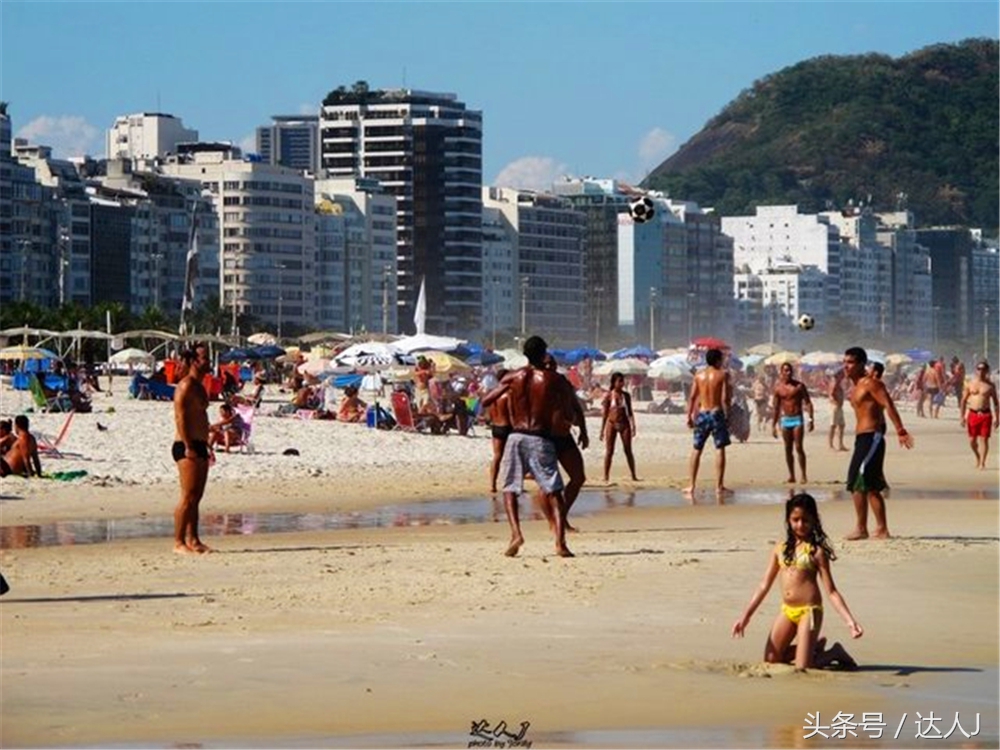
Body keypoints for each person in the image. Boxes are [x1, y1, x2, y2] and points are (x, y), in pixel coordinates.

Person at [732, 493, 863, 671]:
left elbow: (831, 591)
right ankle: (812, 647)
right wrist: (745, 616)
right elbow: (764, 585)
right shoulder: (780, 549)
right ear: (788, 520)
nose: (800, 525)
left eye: (805, 520)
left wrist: (850, 622)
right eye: (795, 520)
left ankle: (834, 652)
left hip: (809, 612)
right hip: (787, 610)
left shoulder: (816, 552)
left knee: (803, 667)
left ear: (814, 521)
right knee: (771, 659)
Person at [480, 335, 572, 558]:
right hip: (540, 437)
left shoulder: (514, 377)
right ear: (544, 353)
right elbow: (569, 407)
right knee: (554, 491)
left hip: (516, 436)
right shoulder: (553, 380)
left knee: (510, 488)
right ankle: (559, 542)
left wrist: (509, 391)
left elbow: (485, 400)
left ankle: (516, 534)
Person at [843, 347, 914, 541]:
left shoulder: (871, 384)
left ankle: (868, 528)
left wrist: (900, 430)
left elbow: (888, 405)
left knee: (858, 481)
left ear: (860, 364)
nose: (845, 366)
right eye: (845, 362)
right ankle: (872, 528)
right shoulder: (855, 387)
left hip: (872, 437)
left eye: (849, 362)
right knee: (866, 484)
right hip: (861, 438)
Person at [534, 355, 589, 531]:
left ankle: (561, 516)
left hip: (564, 436)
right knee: (546, 484)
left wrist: (583, 431)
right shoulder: (536, 383)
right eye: (546, 363)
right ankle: (554, 522)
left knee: (578, 477)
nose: (550, 366)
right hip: (543, 437)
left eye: (552, 363)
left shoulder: (563, 382)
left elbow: (575, 405)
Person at [172, 343, 214, 554]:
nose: (209, 361)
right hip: (185, 445)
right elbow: (180, 417)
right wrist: (189, 445)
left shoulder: (200, 385)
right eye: (205, 358)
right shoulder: (186, 385)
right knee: (187, 497)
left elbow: (200, 417)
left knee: (197, 497)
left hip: (200, 443)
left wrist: (206, 444)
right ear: (195, 361)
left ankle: (194, 539)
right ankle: (178, 542)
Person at [684, 348, 732, 500]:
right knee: (719, 448)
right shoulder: (722, 375)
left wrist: (689, 416)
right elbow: (724, 398)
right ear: (718, 360)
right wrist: (728, 414)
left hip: (703, 413)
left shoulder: (699, 375)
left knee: (697, 448)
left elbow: (692, 397)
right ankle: (719, 486)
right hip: (716, 412)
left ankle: (691, 485)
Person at [771, 362, 814, 484]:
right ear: (781, 372)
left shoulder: (799, 386)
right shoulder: (778, 388)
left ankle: (804, 475)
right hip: (786, 420)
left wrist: (811, 419)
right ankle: (792, 475)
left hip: (797, 419)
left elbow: (808, 402)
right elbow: (776, 408)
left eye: (789, 370)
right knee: (787, 449)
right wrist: (773, 425)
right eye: (785, 370)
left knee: (799, 447)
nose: (788, 372)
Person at [959, 360, 999, 470]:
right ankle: (978, 457)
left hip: (985, 414)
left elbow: (996, 403)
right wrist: (962, 417)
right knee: (972, 441)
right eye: (979, 369)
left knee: (984, 439)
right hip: (973, 414)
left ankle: (982, 462)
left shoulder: (990, 386)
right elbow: (963, 401)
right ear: (976, 370)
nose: (981, 371)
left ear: (987, 370)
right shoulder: (970, 383)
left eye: (983, 369)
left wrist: (997, 418)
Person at [601, 372, 638, 483]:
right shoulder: (609, 395)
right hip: (611, 424)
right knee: (609, 451)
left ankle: (633, 475)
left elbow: (630, 412)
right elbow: (605, 414)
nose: (622, 383)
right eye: (620, 381)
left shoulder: (626, 396)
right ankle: (606, 476)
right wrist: (601, 430)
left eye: (623, 381)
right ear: (614, 382)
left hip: (624, 424)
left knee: (628, 450)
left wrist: (633, 425)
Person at [487, 368, 512, 493]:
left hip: (496, 426)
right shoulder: (508, 394)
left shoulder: (493, 394)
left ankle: (492, 484)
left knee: (497, 456)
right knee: (512, 456)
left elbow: (489, 414)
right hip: (508, 426)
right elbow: (512, 413)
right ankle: (510, 483)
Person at [828, 368, 848, 452]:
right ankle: (831, 445)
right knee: (833, 426)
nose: (843, 376)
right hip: (835, 407)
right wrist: (835, 402)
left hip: (839, 407)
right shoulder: (835, 382)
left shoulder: (838, 383)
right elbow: (831, 394)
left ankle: (840, 444)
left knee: (841, 425)